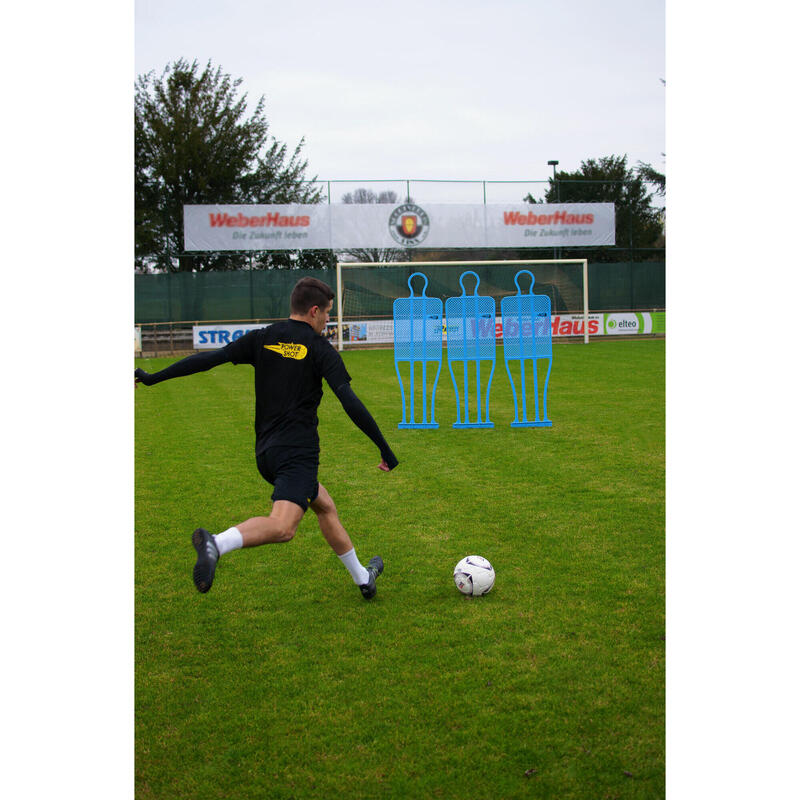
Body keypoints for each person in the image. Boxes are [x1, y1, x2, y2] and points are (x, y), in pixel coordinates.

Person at [135, 277, 398, 599]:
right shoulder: (319, 349)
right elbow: (349, 401)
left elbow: (206, 360)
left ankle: (363, 578)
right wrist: (384, 447)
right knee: (283, 528)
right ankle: (216, 543)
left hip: (266, 453)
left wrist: (151, 378)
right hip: (297, 453)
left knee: (325, 506)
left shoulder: (264, 337)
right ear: (314, 311)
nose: (329, 320)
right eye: (328, 313)